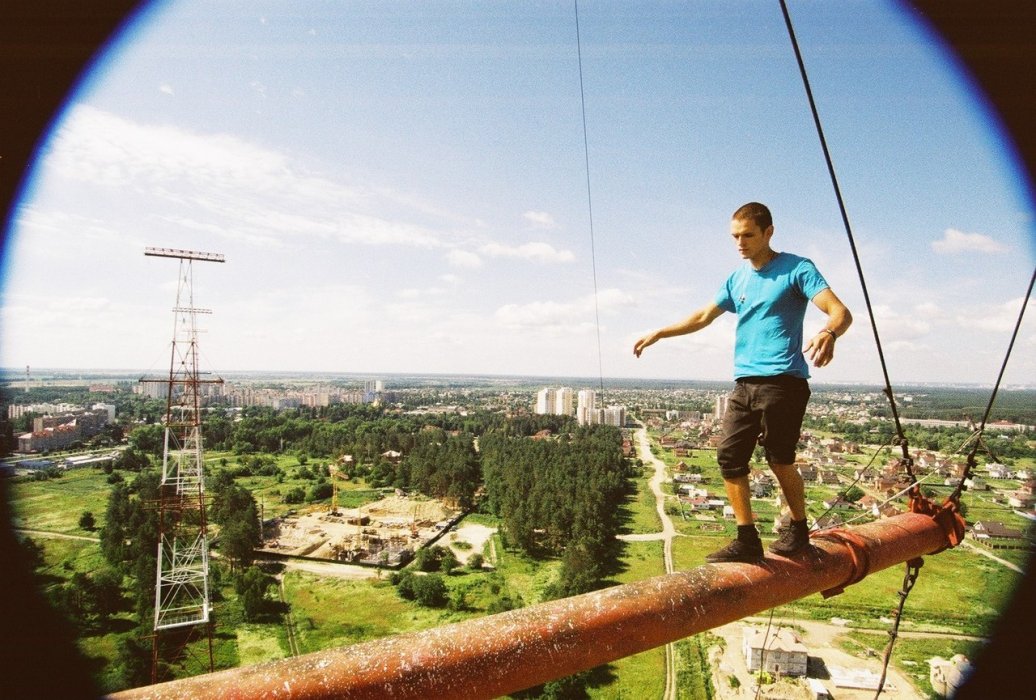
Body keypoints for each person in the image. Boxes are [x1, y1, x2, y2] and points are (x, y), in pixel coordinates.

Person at [633, 202, 852, 563]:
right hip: (745, 383)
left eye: (747, 235)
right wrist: (660, 332)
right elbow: (704, 316)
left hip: (784, 382)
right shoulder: (737, 278)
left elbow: (839, 311)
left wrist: (829, 332)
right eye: (735, 236)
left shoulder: (797, 268)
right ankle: (746, 539)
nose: (740, 242)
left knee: (780, 460)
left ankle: (798, 529)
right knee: (729, 457)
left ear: (768, 232)